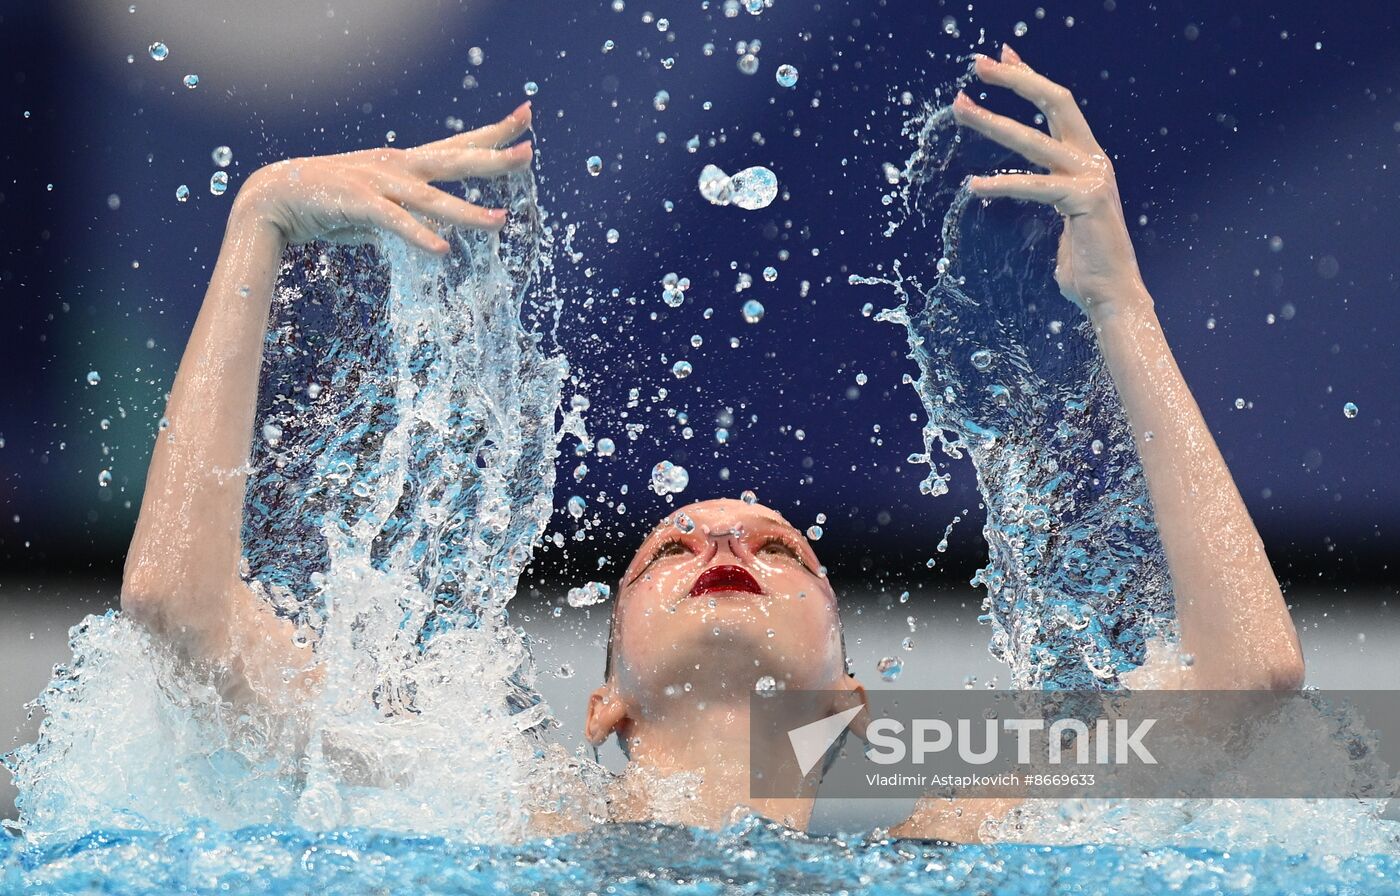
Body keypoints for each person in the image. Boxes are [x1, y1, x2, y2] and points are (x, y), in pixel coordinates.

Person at [119, 45, 1304, 841]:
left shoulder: (944, 837)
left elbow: (1246, 681)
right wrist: (259, 218)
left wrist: (1119, 307)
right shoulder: (495, 817)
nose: (724, 536)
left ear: (847, 700)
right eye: (666, 547)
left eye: (779, 548)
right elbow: (177, 609)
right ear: (601, 705)